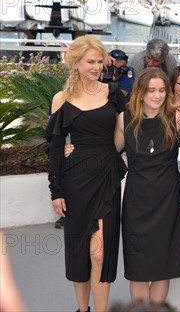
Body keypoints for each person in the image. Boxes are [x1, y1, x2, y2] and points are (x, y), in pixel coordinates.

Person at [66, 68, 180, 305]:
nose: (157, 95)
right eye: (151, 90)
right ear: (140, 92)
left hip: (169, 201)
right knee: (138, 268)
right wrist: (67, 149)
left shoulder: (177, 117)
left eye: (162, 90)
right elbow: (107, 152)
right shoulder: (124, 118)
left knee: (163, 268)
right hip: (137, 201)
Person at [45, 36, 127, 312]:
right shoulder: (61, 99)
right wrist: (55, 191)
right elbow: (55, 150)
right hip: (75, 180)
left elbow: (119, 139)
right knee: (80, 252)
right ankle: (83, 309)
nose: (96, 67)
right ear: (75, 63)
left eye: (99, 62)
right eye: (90, 62)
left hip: (106, 177)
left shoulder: (113, 93)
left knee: (100, 253)